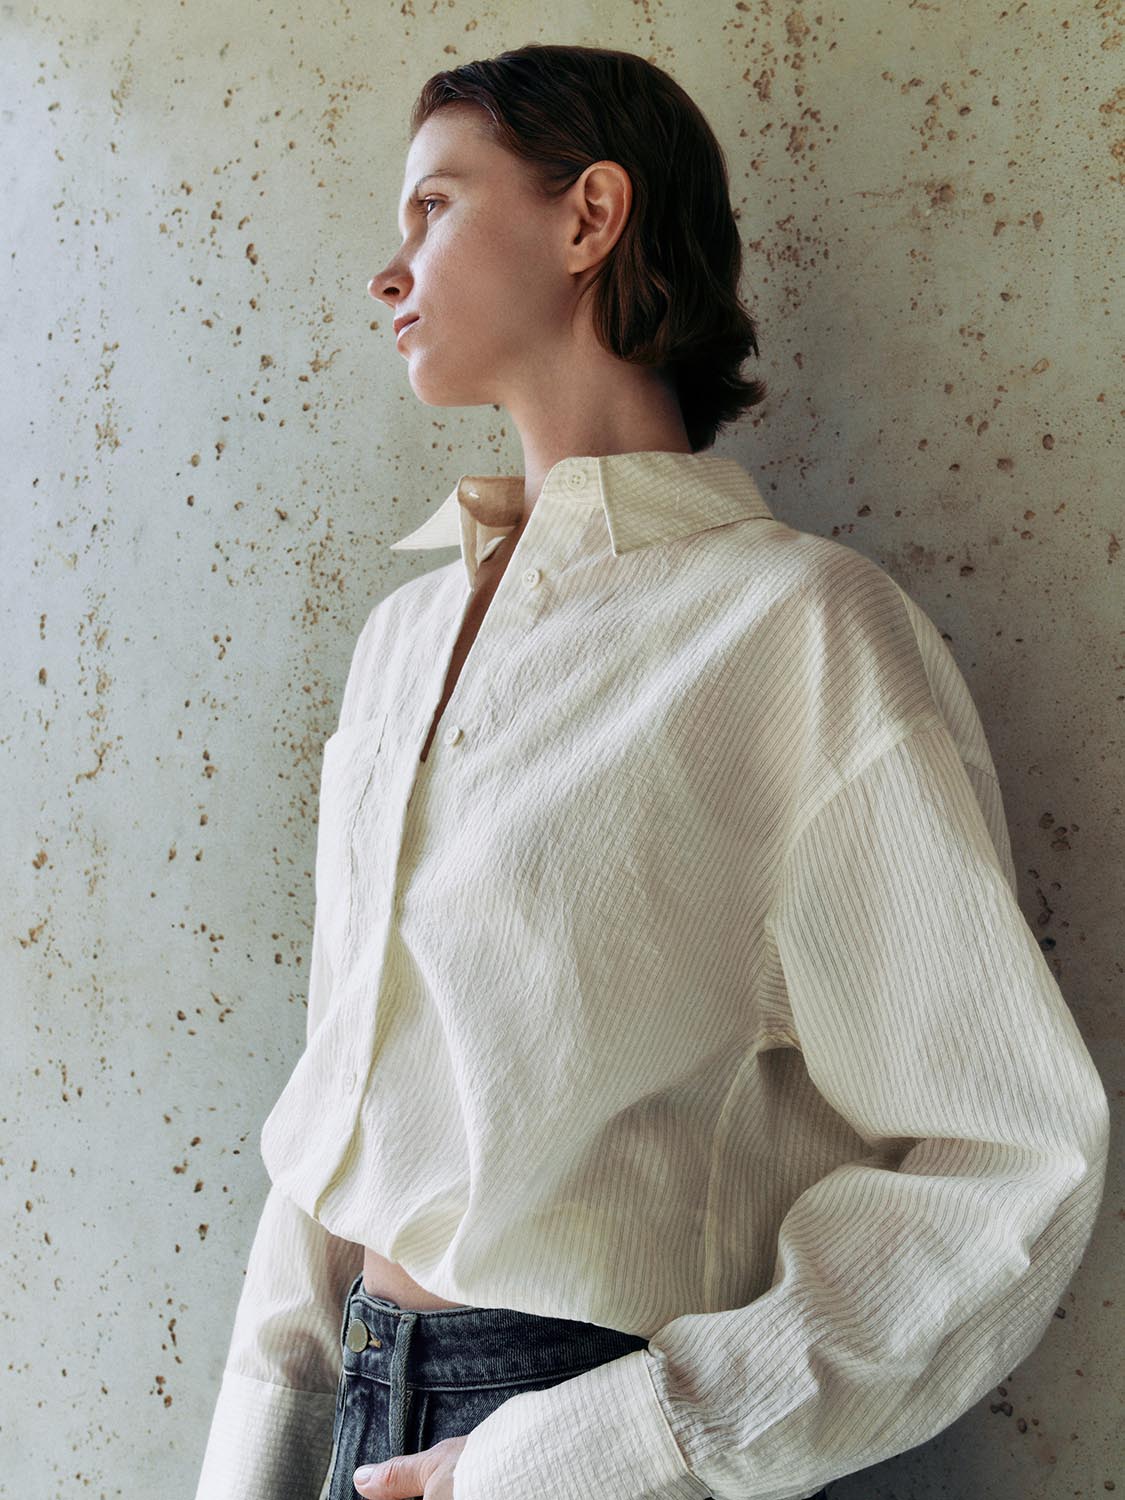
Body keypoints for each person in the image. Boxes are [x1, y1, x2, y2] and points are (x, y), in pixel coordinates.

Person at [192, 43, 1109, 1500]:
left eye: (435, 204)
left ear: (589, 215)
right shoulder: (401, 641)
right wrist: (255, 1459)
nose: (387, 269)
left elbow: (1010, 1153)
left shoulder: (794, 626)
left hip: (592, 1437)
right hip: (357, 1422)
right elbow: (343, 1104)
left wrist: (614, 1441)